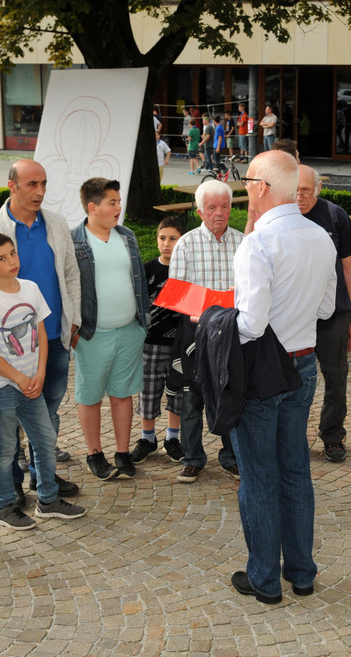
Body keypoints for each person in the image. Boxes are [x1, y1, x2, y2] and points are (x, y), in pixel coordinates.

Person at [229, 150, 336, 604]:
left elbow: (251, 324)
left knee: (258, 477)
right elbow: (326, 309)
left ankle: (265, 580)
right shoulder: (322, 237)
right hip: (303, 363)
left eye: (247, 181)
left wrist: (212, 319)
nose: (245, 189)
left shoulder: (258, 242)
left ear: (262, 187)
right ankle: (302, 573)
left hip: (262, 370)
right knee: (295, 470)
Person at [0, 159, 81, 505]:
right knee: (9, 421)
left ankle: (42, 476)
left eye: (43, 184)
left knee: (48, 410)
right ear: (12, 186)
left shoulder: (56, 223)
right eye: (31, 184)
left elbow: (71, 273)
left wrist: (74, 318)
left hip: (52, 337)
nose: (39, 191)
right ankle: (13, 479)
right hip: (8, 348)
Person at [0, 232, 87, 529]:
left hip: (32, 383)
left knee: (45, 439)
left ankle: (48, 500)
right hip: (2, 387)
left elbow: (42, 333)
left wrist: (40, 373)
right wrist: (19, 378)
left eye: (13, 253)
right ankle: (3, 506)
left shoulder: (31, 288)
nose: (12, 261)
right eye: (2, 258)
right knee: (5, 447)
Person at [70, 178, 148, 481]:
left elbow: (138, 281)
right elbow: (67, 288)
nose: (119, 207)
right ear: (93, 207)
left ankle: (122, 453)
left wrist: (142, 323)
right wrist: (73, 331)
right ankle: (95, 454)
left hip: (129, 331)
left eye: (119, 201)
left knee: (123, 393)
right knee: (90, 396)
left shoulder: (126, 236)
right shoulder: (74, 242)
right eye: (112, 202)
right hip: (92, 335)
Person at [170, 180, 244, 483]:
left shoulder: (243, 243)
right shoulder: (186, 244)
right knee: (192, 398)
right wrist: (216, 304)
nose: (219, 213)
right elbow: (177, 295)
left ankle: (231, 456)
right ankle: (192, 458)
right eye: (212, 208)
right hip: (195, 332)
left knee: (231, 393)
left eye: (225, 206)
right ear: (200, 211)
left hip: (233, 333)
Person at [295, 165, 351, 463]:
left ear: (318, 189)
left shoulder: (335, 216)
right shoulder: (282, 217)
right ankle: (292, 437)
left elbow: (349, 270)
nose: (299, 197)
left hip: (334, 313)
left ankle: (333, 435)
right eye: (294, 190)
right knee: (292, 380)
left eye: (305, 190)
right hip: (295, 316)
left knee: (336, 378)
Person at [130, 217, 187, 464]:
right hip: (150, 343)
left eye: (173, 239)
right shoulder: (147, 270)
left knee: (177, 391)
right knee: (148, 391)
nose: (166, 244)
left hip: (179, 344)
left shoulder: (186, 270)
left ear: (182, 241)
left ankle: (172, 437)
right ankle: (148, 438)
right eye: (162, 238)